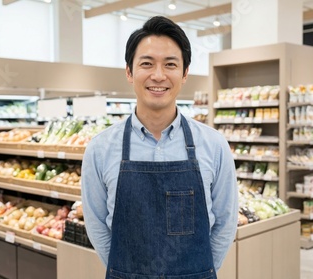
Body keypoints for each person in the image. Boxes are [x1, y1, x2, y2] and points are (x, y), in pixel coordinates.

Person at [81, 16, 238, 279]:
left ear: (185, 73)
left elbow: (225, 223)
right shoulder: (100, 149)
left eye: (170, 65)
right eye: (146, 63)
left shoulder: (214, 145)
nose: (158, 75)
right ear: (129, 72)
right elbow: (96, 224)